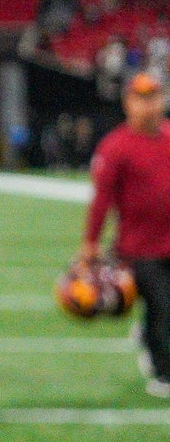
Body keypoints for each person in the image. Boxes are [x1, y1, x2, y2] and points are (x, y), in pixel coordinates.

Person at [82, 72, 170, 397]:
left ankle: (150, 340)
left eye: (154, 97)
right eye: (141, 98)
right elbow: (101, 200)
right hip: (138, 247)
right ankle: (164, 373)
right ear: (128, 103)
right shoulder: (115, 146)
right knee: (163, 307)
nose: (149, 105)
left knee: (162, 310)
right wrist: (90, 243)